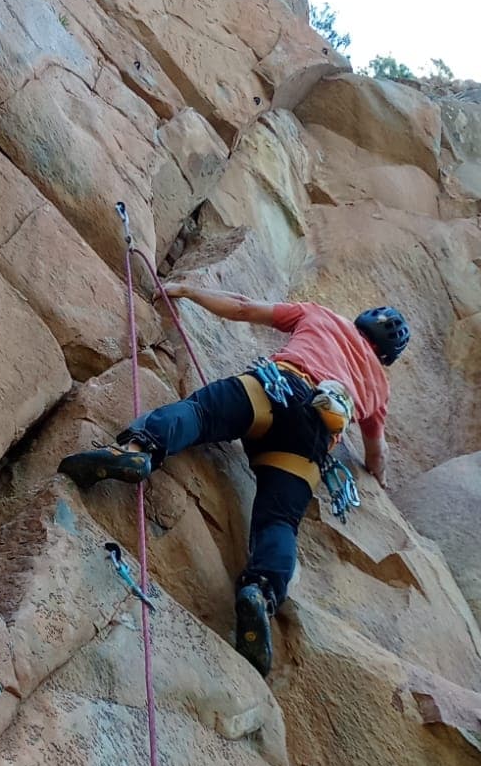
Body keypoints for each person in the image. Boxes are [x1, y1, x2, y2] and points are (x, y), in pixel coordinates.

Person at [58, 283, 411, 676]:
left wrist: (185, 290)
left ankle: (138, 452)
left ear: (362, 320)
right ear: (386, 355)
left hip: (278, 387)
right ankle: (260, 591)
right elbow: (376, 454)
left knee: (202, 414)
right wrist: (379, 482)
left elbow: (243, 307)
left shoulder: (322, 316)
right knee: (279, 521)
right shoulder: (379, 387)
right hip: (313, 436)